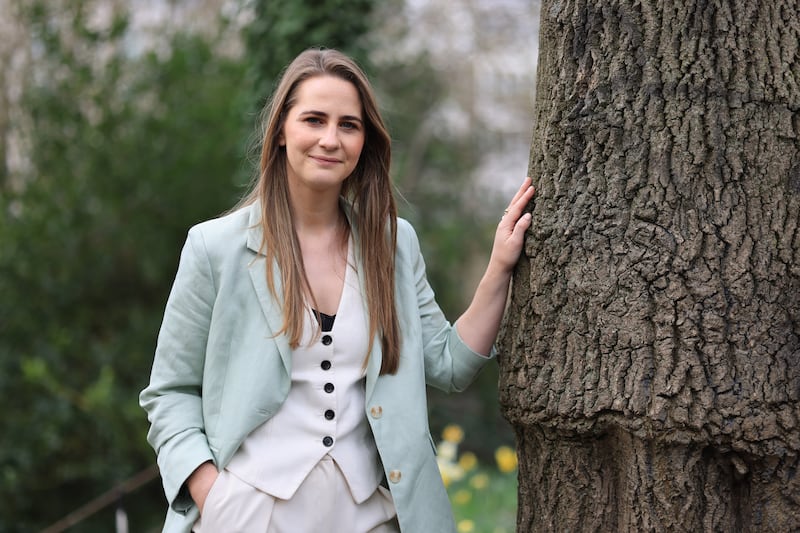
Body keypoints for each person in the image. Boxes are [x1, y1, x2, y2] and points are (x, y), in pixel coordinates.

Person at [139, 47, 535, 533]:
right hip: (249, 517)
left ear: (365, 141)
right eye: (314, 120)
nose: (331, 139)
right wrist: (213, 495)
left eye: (349, 125)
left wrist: (499, 266)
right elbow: (170, 392)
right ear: (282, 130)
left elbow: (449, 364)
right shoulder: (214, 248)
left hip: (370, 517)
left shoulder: (393, 244)